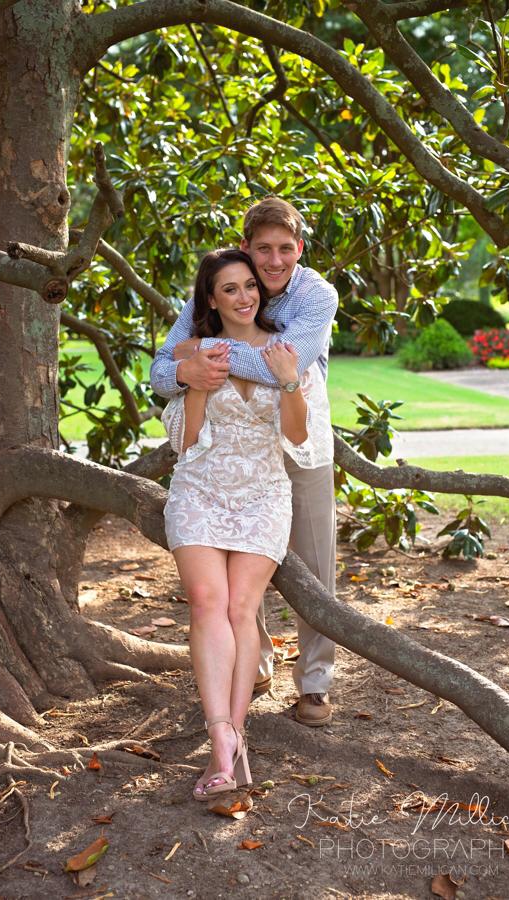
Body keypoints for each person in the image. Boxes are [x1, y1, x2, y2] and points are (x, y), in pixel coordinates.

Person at [151, 197, 338, 727]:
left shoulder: (317, 295)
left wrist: (206, 350)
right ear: (246, 248)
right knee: (237, 567)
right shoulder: (225, 278)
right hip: (231, 452)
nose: (274, 261)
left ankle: (316, 682)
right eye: (263, 250)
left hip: (300, 438)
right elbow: (160, 372)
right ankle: (251, 663)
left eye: (285, 249)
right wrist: (186, 370)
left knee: (315, 565)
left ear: (300, 248)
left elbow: (285, 365)